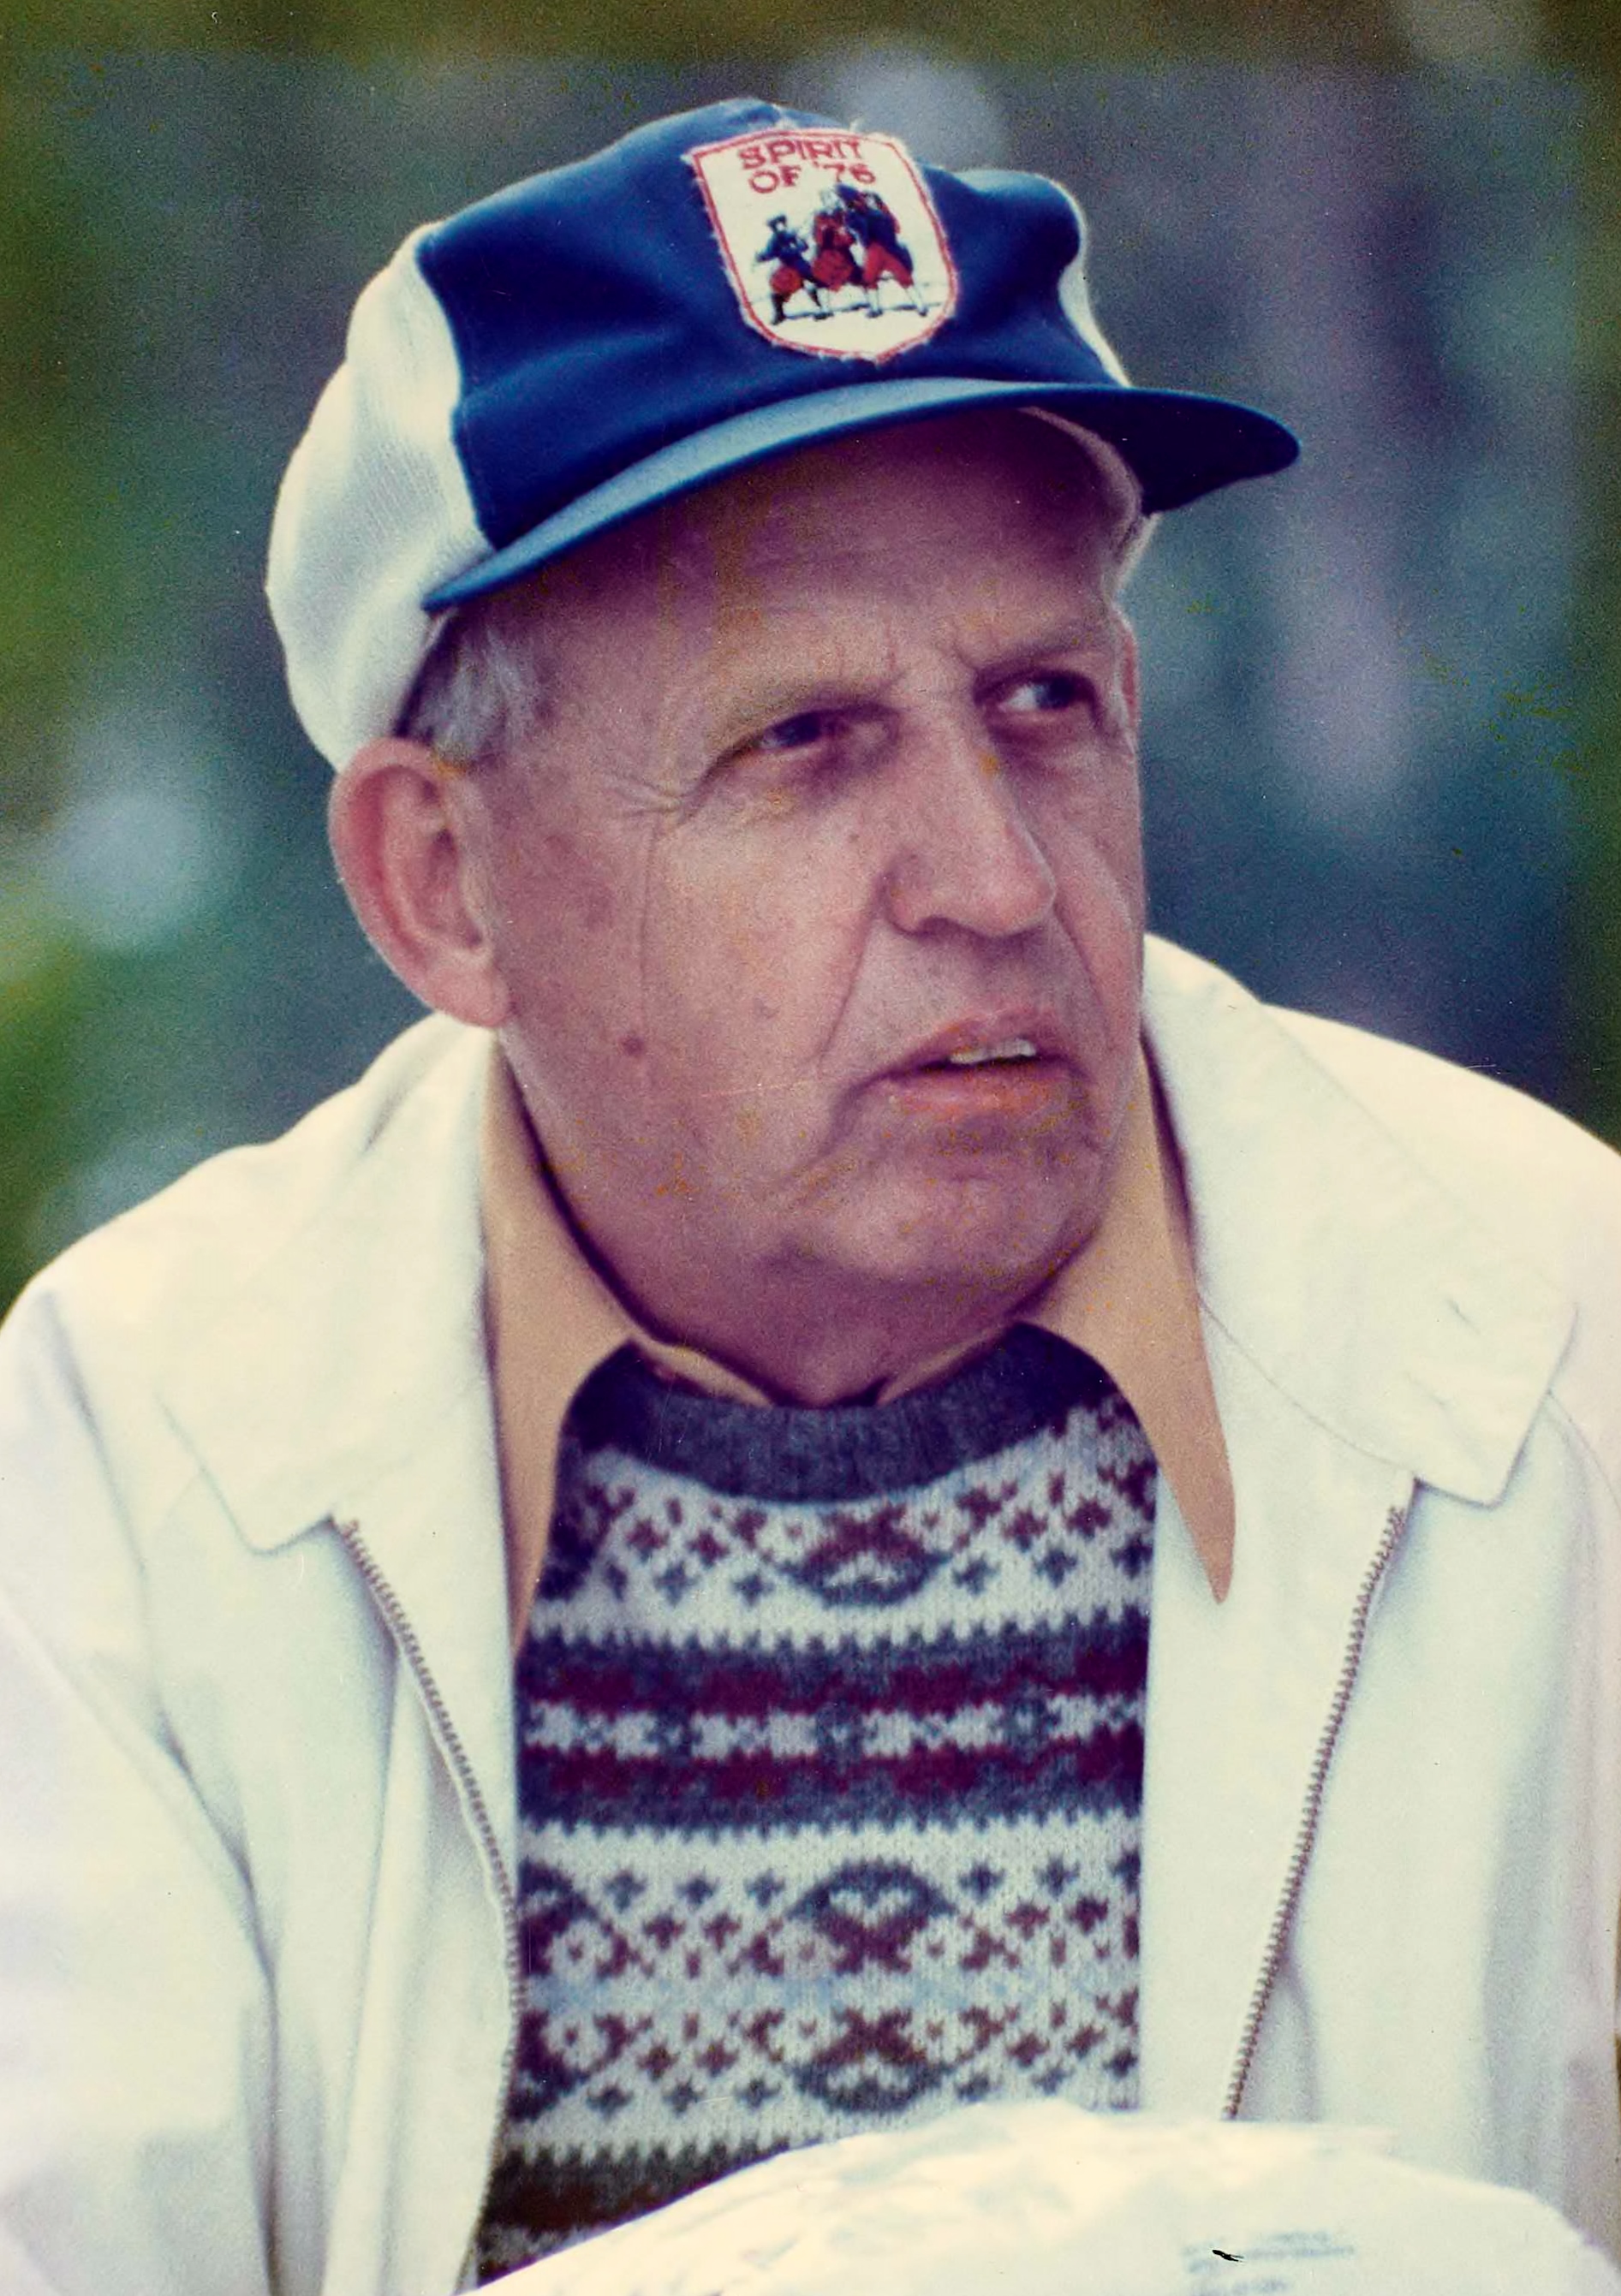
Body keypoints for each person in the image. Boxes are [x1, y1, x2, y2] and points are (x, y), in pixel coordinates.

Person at [1, 93, 1618, 2296]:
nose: (994, 880)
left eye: (1042, 702)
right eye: (800, 744)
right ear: (441, 883)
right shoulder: (135, 1452)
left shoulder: (1561, 1340)